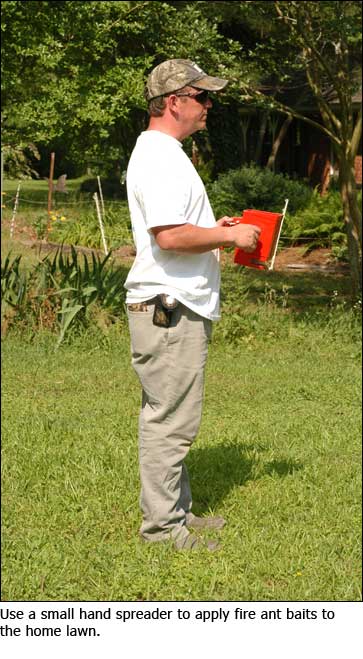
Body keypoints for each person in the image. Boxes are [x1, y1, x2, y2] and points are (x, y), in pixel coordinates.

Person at [124, 59, 260, 551]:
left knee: (169, 412)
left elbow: (180, 228)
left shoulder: (163, 153)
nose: (209, 107)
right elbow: (171, 236)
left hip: (171, 304)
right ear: (174, 101)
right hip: (170, 307)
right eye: (202, 97)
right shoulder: (160, 156)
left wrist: (218, 232)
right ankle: (163, 531)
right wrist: (231, 237)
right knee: (170, 421)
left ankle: (175, 512)